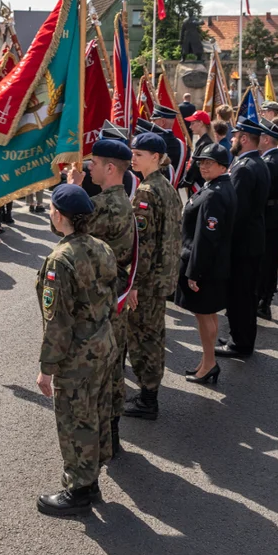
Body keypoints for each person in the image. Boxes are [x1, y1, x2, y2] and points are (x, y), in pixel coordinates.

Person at [34, 183, 117, 517]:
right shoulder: (101, 245)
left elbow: (58, 323)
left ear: (59, 215)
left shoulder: (60, 260)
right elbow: (112, 293)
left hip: (78, 354)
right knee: (96, 411)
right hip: (103, 342)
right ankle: (91, 477)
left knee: (74, 419)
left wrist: (46, 369)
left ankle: (79, 489)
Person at [65, 138, 135, 451]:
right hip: (113, 294)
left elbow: (72, 232)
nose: (88, 166)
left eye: (93, 162)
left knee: (102, 372)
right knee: (114, 367)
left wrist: (71, 190)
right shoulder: (118, 200)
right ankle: (112, 434)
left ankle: (103, 440)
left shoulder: (108, 205)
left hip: (103, 300)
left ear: (109, 168)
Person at [123, 131, 182, 420]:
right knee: (154, 335)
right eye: (133, 152)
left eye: (139, 154)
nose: (133, 157)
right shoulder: (165, 186)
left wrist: (133, 284)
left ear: (155, 157)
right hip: (162, 277)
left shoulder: (147, 191)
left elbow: (142, 246)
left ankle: (148, 399)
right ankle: (149, 394)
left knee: (143, 338)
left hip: (147, 282)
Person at [176, 142, 236, 384]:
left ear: (223, 166)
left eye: (209, 163)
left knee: (204, 316)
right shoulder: (218, 186)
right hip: (213, 264)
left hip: (204, 266)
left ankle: (209, 363)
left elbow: (205, 237)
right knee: (208, 315)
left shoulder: (213, 193)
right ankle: (207, 361)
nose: (203, 166)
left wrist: (194, 273)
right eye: (201, 162)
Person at [216, 117, 269, 359]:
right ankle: (241, 337)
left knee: (240, 295)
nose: (233, 140)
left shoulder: (245, 168)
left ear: (245, 139)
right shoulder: (255, 162)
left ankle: (240, 342)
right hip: (252, 238)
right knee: (246, 294)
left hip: (243, 243)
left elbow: (236, 210)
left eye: (236, 136)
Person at [256, 118, 278, 321]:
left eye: (260, 136)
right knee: (267, 261)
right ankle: (264, 300)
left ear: (267, 139)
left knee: (265, 261)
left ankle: (264, 302)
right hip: (274, 213)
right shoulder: (275, 158)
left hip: (268, 215)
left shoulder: (269, 162)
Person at [180, 110, 213, 191]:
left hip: (199, 184)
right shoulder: (203, 141)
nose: (190, 127)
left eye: (192, 123)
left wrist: (185, 181)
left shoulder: (205, 143)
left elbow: (195, 166)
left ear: (201, 123)